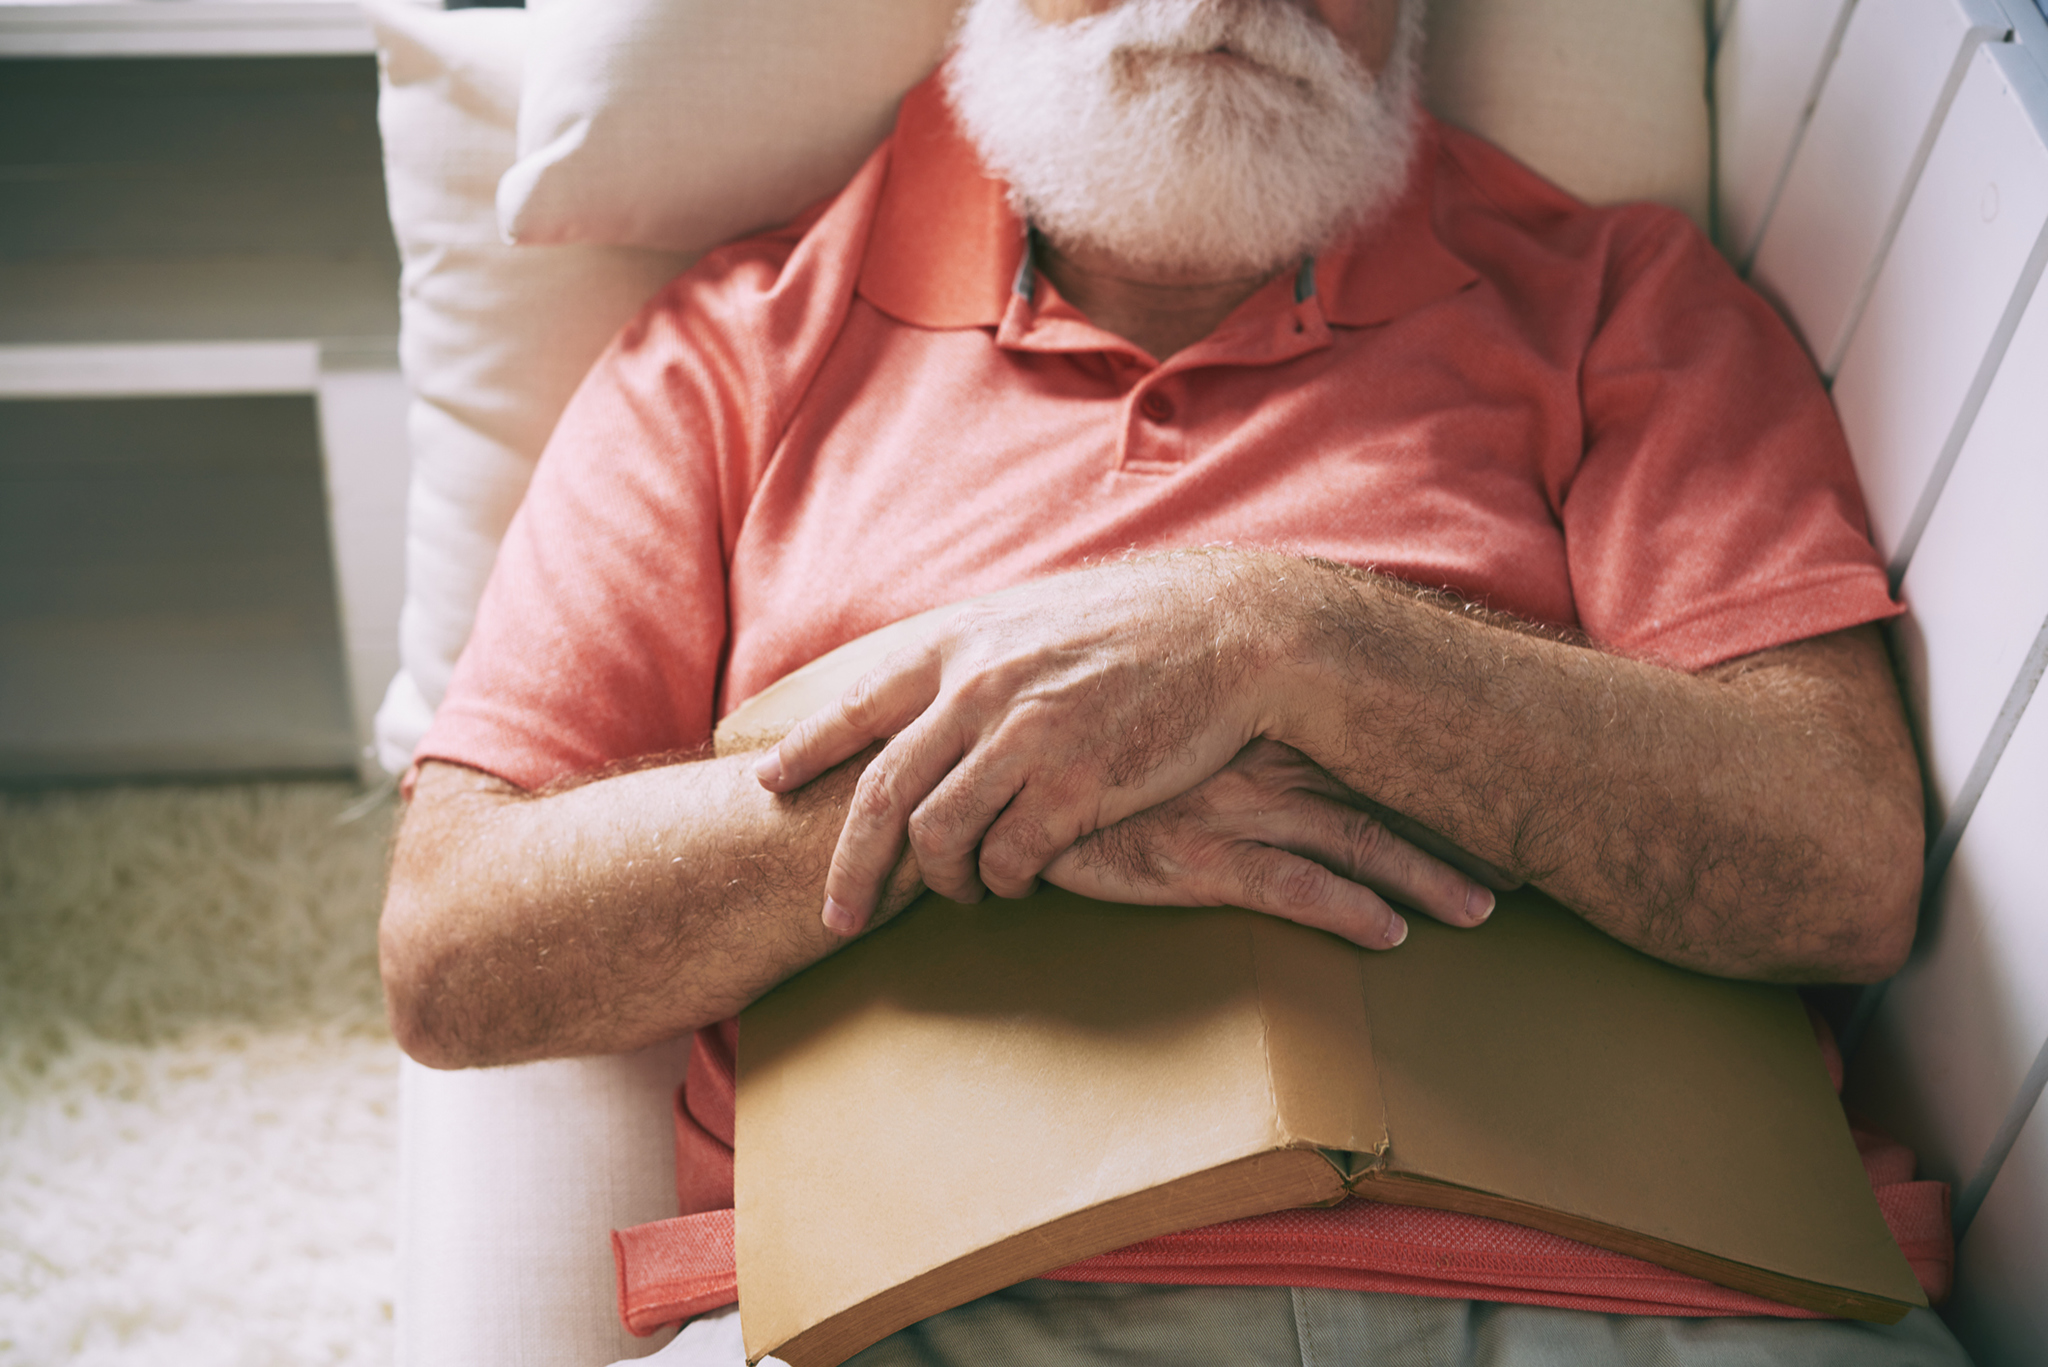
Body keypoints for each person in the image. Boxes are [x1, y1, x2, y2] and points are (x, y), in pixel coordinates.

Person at [380, 0, 1970, 1361]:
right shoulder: (730, 351)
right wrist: (1006, 786)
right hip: (933, 1304)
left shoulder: (1623, 293)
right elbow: (458, 951)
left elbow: (1838, 862)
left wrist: (1288, 642)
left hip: (1645, 1288)